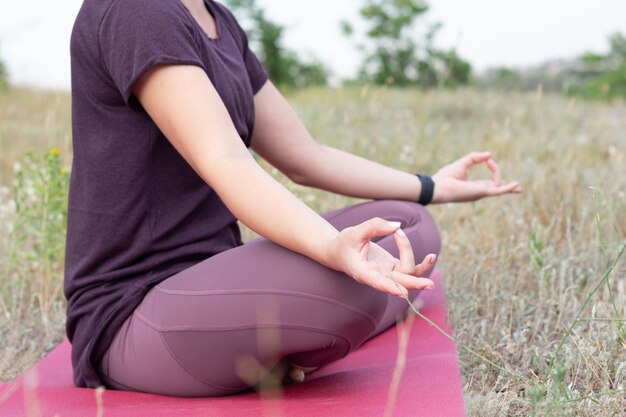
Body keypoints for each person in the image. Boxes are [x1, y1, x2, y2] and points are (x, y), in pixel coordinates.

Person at [65, 0, 522, 398]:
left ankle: (274, 346)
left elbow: (305, 156)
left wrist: (432, 187)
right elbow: (226, 161)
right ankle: (281, 341)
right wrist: (331, 249)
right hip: (132, 313)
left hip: (212, 276)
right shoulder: (135, 10)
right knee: (355, 283)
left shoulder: (217, 19)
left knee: (408, 226)